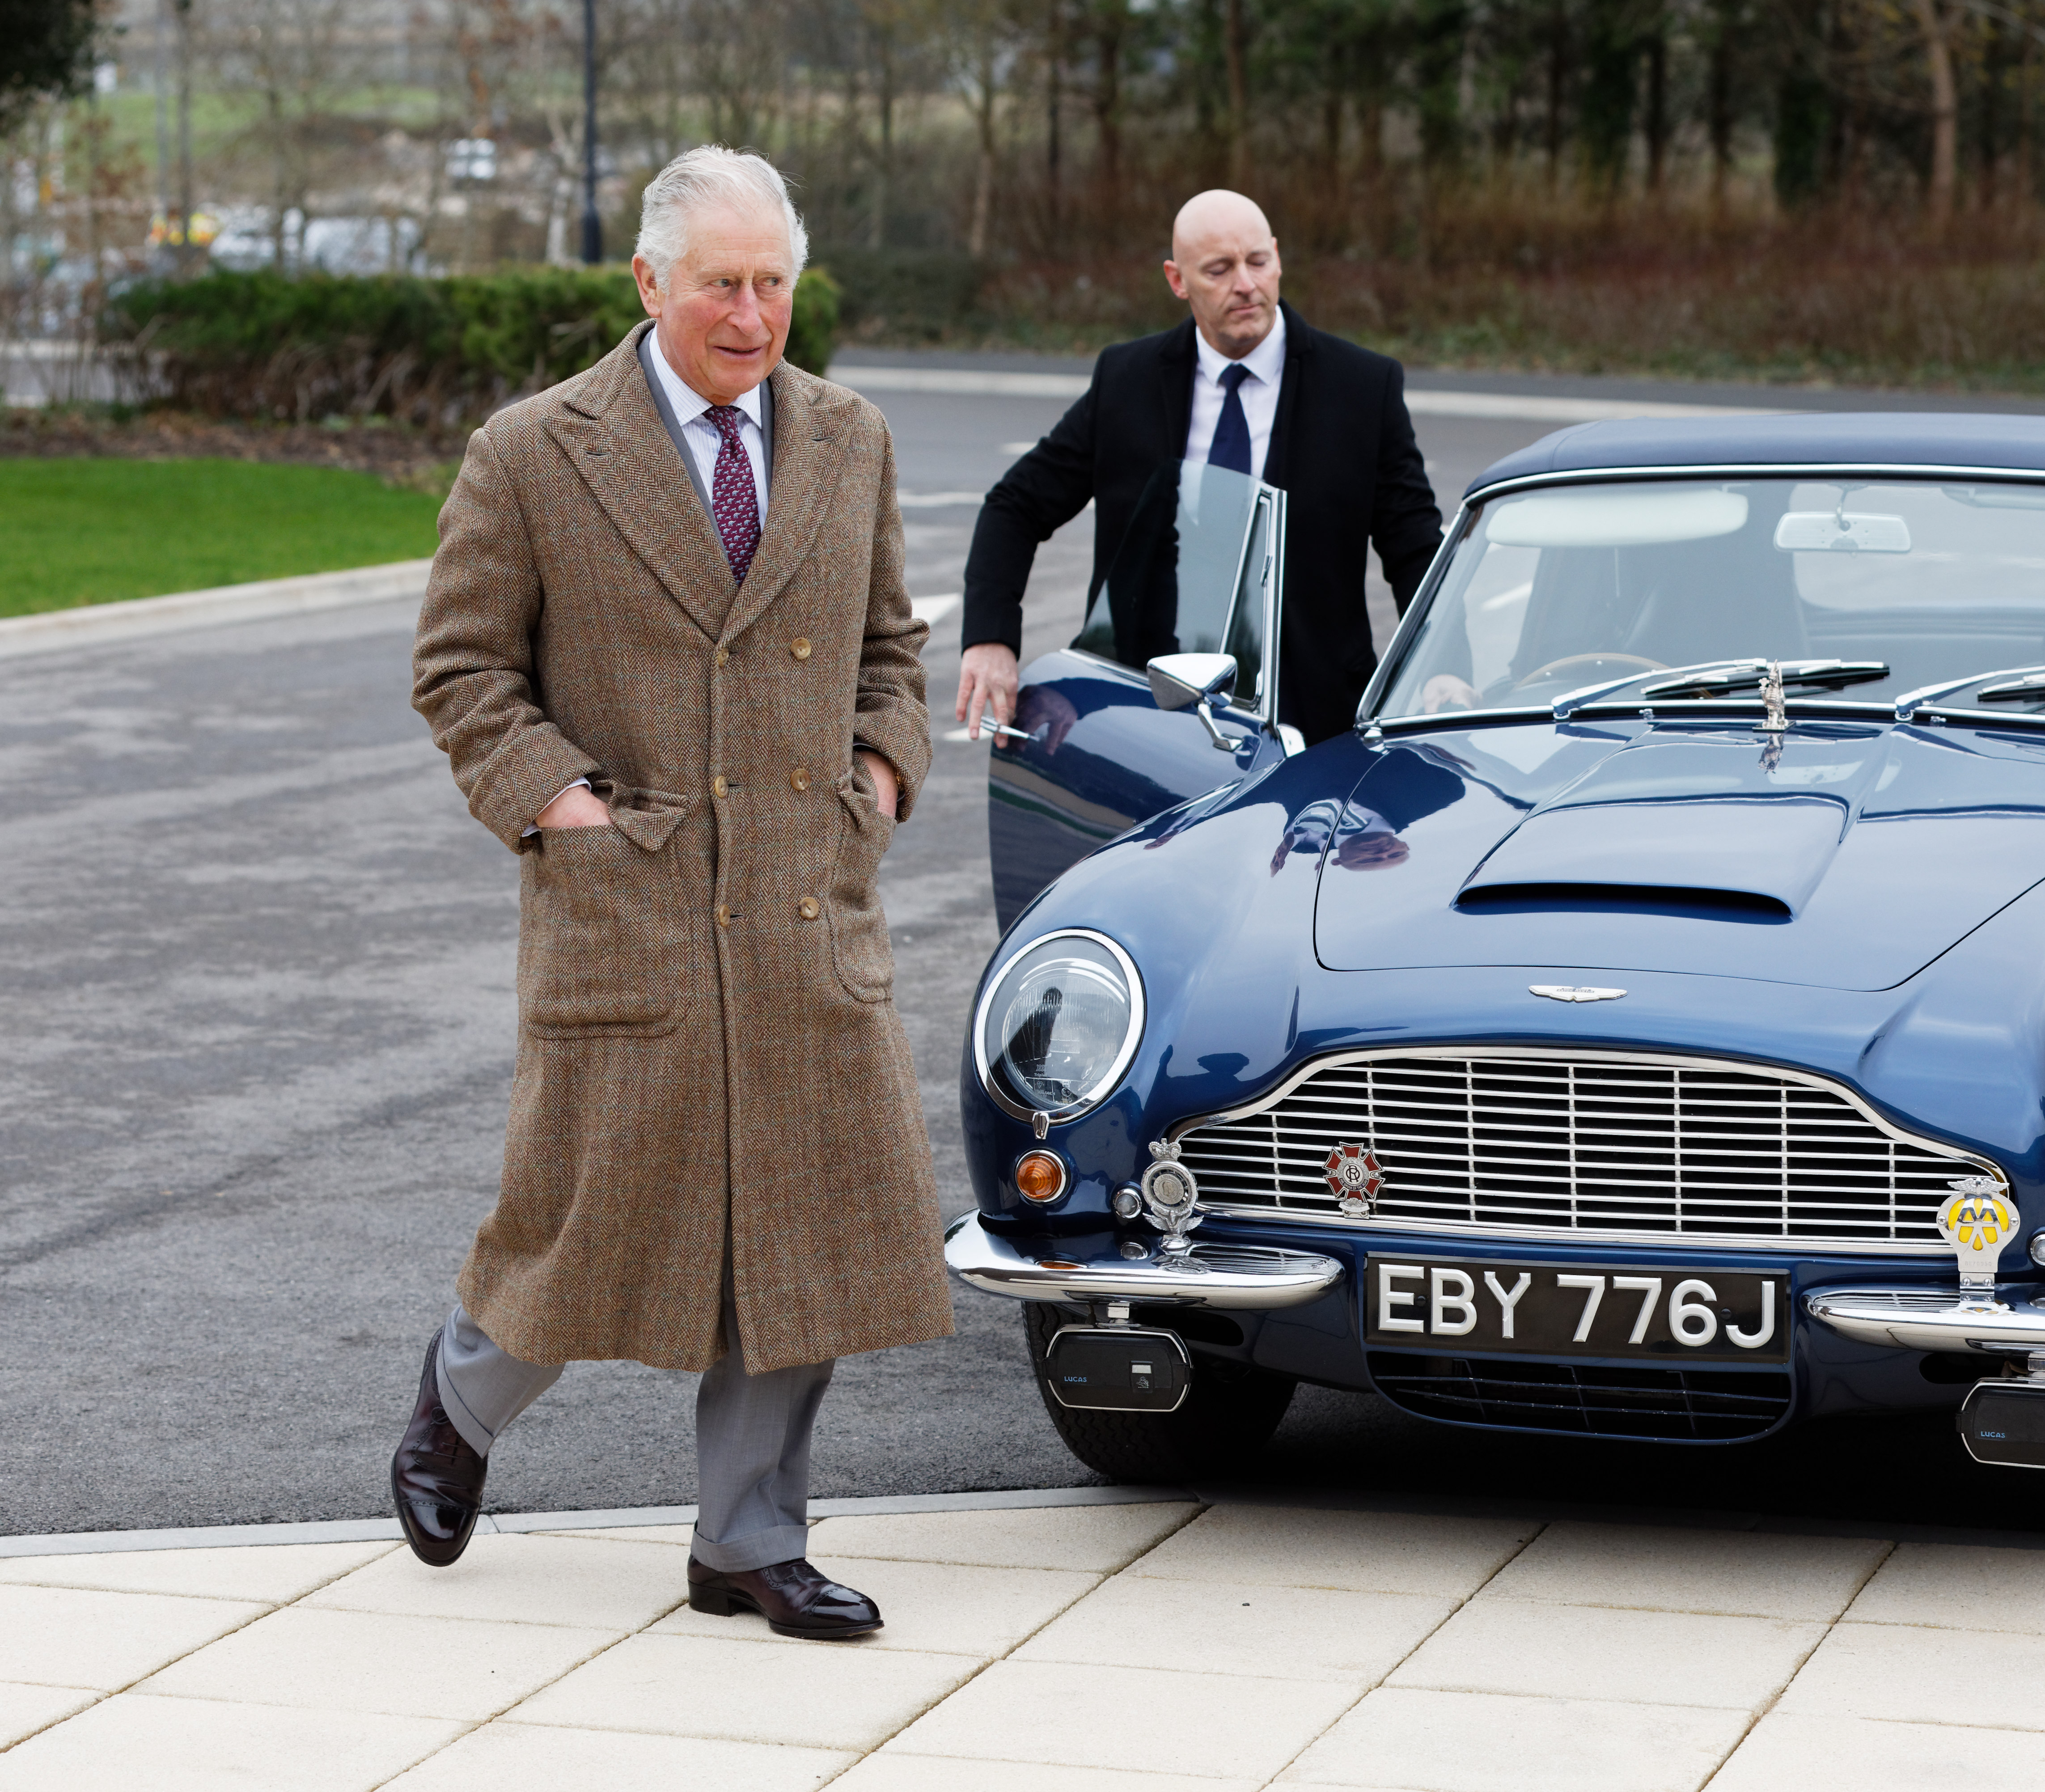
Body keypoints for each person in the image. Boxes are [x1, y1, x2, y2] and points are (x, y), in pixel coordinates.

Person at [398, 144, 949, 1641]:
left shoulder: (849, 437)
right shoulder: (532, 451)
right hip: (627, 903)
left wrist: (877, 780)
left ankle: (747, 1541)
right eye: (721, 284)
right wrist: (565, 808)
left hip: (801, 904)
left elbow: (889, 650)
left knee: (802, 1230)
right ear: (649, 283)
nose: (751, 315)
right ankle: (463, 1393)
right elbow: (460, 669)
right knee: (589, 1224)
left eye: (773, 283)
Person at [955, 189, 1444, 748]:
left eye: (1257, 261)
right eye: (1219, 269)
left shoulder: (1361, 388)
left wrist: (1444, 666)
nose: (1246, 284)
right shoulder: (1126, 381)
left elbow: (1415, 551)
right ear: (1177, 280)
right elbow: (1016, 505)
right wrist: (990, 638)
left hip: (1313, 728)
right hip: (1145, 719)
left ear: (1277, 257)